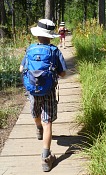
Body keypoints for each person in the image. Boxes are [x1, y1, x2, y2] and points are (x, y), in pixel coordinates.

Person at [19, 19, 67, 172]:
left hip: (33, 90)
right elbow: (63, 73)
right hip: (49, 91)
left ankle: (37, 127)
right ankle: (46, 158)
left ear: (37, 36)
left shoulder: (30, 49)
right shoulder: (54, 51)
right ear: (51, 36)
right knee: (48, 124)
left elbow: (21, 69)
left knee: (36, 113)